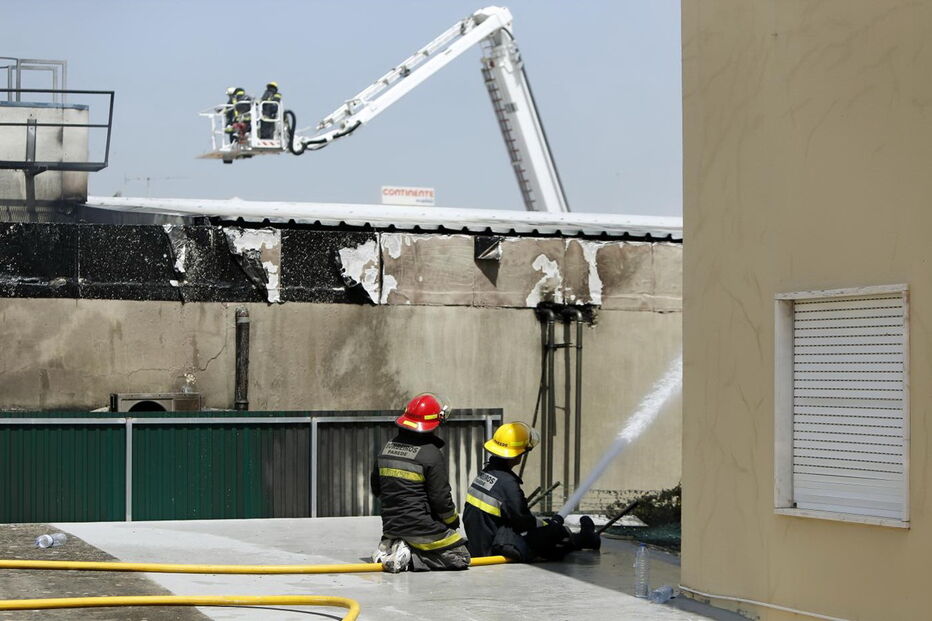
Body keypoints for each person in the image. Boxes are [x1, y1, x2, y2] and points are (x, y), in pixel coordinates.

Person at [463, 422, 601, 562]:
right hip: (498, 546)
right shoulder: (508, 483)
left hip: (483, 542)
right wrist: (550, 525)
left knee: (548, 529)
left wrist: (545, 523)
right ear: (518, 454)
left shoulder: (487, 473)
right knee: (555, 534)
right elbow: (523, 521)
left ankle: (575, 536)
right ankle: (586, 539)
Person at [370, 393, 470, 573]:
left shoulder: (387, 448)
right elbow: (440, 499)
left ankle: (396, 545)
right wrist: (452, 520)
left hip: (391, 526)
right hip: (421, 527)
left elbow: (376, 488)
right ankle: (409, 558)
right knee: (461, 556)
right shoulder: (431, 454)